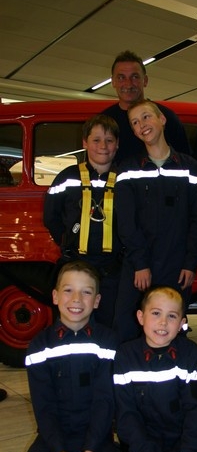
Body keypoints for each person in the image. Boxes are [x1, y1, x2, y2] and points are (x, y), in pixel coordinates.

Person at [16, 261, 126, 452]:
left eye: (86, 292)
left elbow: (104, 402)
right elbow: (44, 408)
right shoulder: (39, 346)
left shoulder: (108, 342)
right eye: (68, 290)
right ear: (55, 296)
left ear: (96, 301)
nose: (76, 299)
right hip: (54, 438)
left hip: (97, 437)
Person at [113, 99, 197, 342]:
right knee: (127, 327)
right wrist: (140, 263)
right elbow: (126, 223)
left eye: (146, 117)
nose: (142, 125)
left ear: (162, 119)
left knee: (173, 328)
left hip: (178, 267)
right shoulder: (127, 169)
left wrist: (191, 263)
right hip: (138, 267)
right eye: (135, 122)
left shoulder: (191, 168)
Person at [113, 285, 197, 452]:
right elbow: (126, 414)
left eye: (172, 316)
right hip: (146, 440)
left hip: (181, 440)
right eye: (156, 313)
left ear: (182, 322)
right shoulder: (125, 356)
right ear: (140, 317)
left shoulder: (192, 354)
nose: (163, 323)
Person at [44, 114, 123, 327]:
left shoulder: (126, 178)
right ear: (85, 143)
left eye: (109, 140)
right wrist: (67, 240)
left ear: (117, 144)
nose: (103, 146)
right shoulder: (67, 177)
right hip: (75, 263)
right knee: (73, 320)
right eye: (96, 140)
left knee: (110, 321)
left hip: (113, 268)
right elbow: (51, 216)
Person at [102, 50, 189, 164]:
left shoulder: (166, 117)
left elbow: (185, 162)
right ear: (113, 82)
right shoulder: (103, 121)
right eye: (121, 77)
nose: (128, 84)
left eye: (135, 77)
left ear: (145, 80)